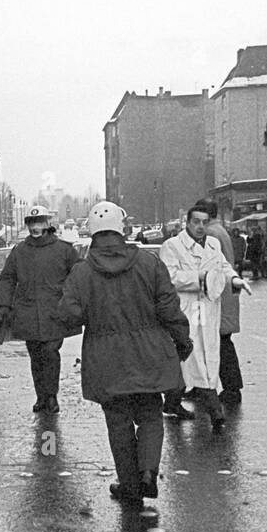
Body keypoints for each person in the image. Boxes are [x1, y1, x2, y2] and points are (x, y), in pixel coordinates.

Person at [60, 203, 191, 507]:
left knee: (118, 420)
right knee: (149, 412)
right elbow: (168, 307)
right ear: (123, 228)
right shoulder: (149, 263)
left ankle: (129, 484)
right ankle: (148, 472)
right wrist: (182, 340)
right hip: (149, 352)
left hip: (106, 358)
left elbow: (69, 315)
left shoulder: (82, 272)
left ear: (91, 231)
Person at [159, 203, 252, 430]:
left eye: (204, 222)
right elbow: (169, 277)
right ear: (187, 223)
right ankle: (214, 411)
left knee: (205, 356)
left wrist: (234, 279)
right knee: (193, 357)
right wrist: (200, 278)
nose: (200, 226)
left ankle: (172, 402)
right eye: (196, 222)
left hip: (209, 309)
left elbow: (223, 266)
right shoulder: (172, 246)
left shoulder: (213, 243)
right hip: (186, 311)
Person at [0, 205, 81, 413]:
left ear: (47, 224)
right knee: (36, 355)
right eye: (31, 223)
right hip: (28, 314)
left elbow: (79, 275)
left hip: (55, 313)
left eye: (39, 222)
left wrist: (72, 301)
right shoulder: (20, 251)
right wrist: (5, 304)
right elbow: (7, 278)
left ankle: (51, 396)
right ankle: (41, 396)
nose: (35, 227)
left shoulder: (64, 250)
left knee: (50, 352)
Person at [204, 203, 243, 403]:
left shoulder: (210, 233)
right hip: (225, 292)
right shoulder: (220, 231)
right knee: (220, 343)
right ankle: (214, 387)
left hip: (217, 295)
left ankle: (231, 388)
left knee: (220, 344)